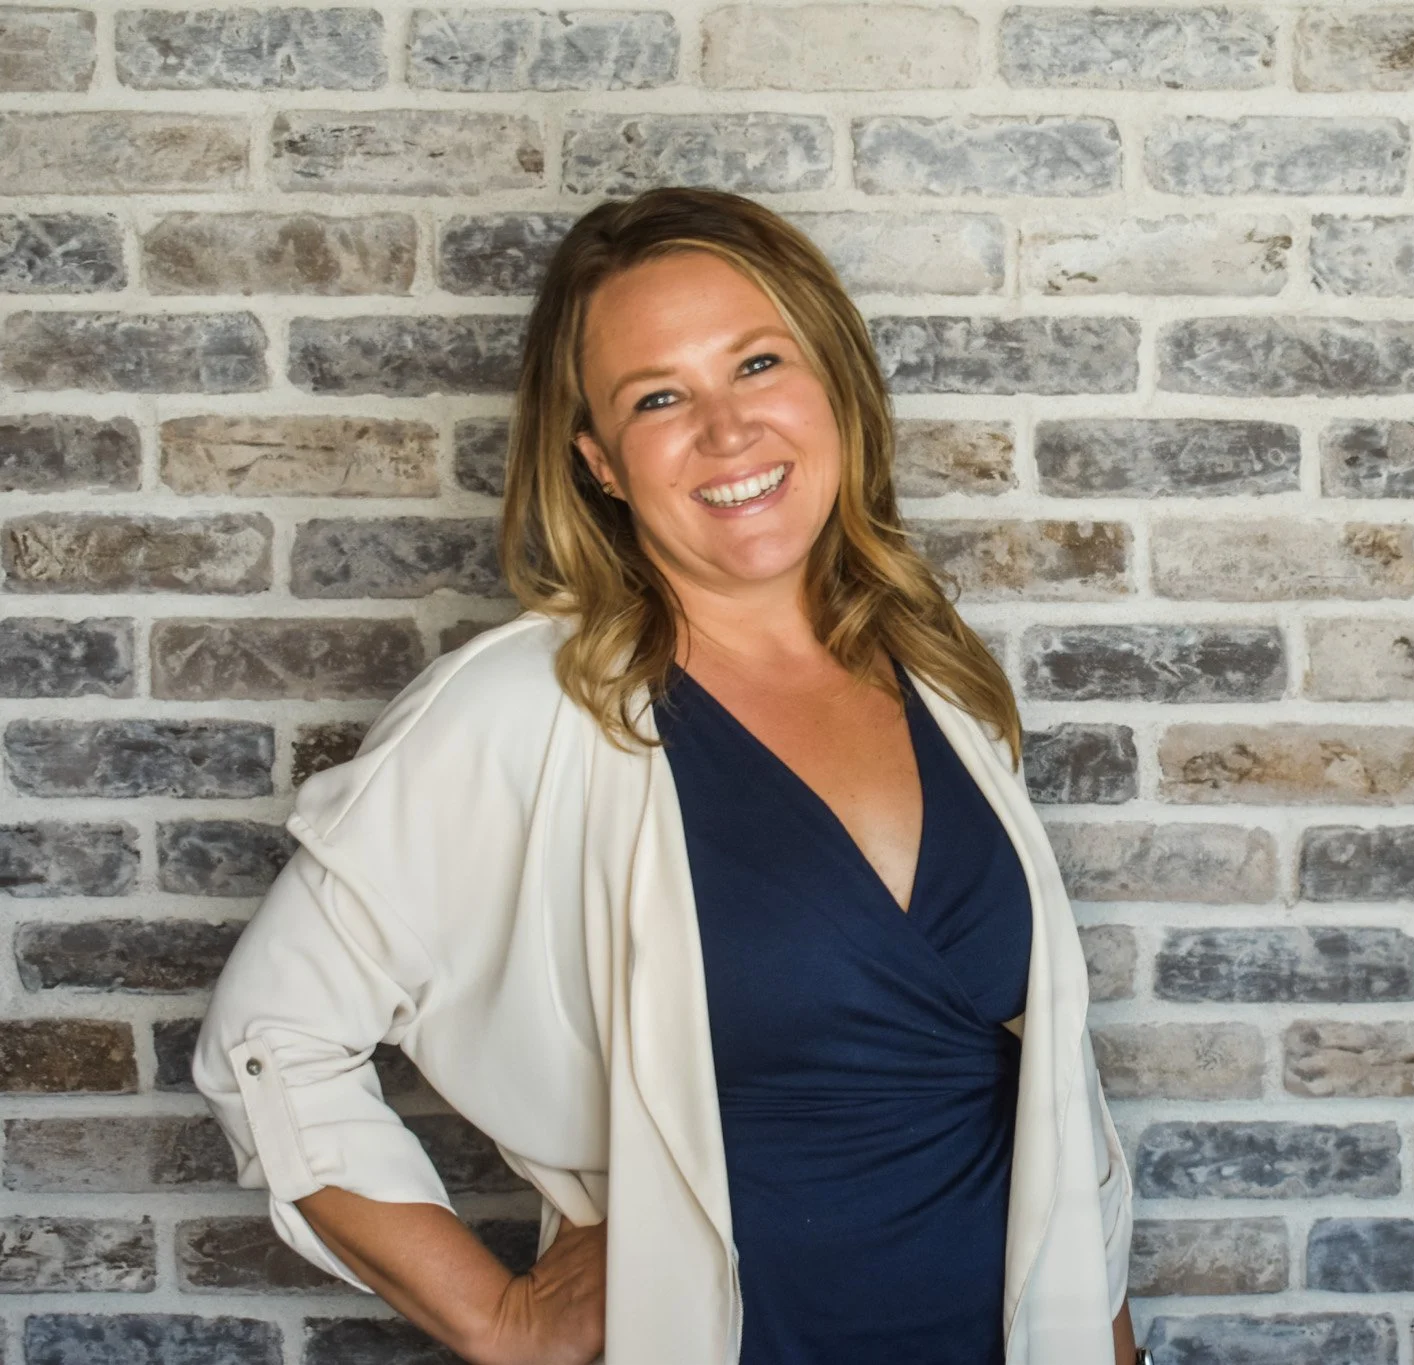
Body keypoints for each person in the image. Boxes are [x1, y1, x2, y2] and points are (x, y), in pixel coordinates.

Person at [194, 187, 1137, 1365]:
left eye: (754, 364)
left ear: (832, 382)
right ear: (597, 459)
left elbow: (1050, 1094)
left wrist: (1113, 1342)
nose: (726, 431)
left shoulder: (932, 678)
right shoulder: (528, 706)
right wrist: (503, 1319)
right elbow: (270, 1037)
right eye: (657, 397)